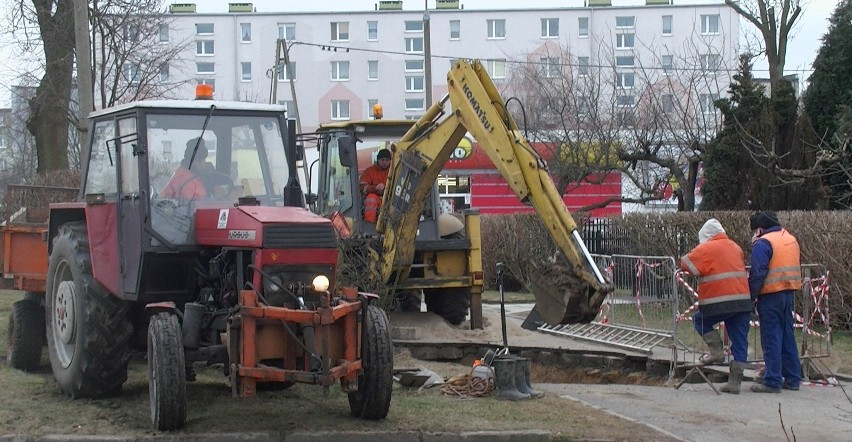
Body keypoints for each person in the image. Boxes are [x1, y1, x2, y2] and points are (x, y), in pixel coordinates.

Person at [680, 218, 752, 394]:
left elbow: (686, 263)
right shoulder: (735, 247)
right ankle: (735, 382)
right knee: (740, 340)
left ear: (706, 236)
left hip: (718, 301)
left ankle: (716, 352)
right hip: (742, 300)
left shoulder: (706, 248)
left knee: (700, 320)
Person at [749, 210, 802, 393]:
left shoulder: (763, 243)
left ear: (760, 228)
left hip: (770, 295)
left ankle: (772, 380)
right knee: (787, 336)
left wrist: (751, 296)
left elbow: (758, 272)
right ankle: (793, 378)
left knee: (771, 337)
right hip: (788, 292)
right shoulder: (789, 238)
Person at [359, 148, 391, 222]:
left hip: (390, 200)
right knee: (371, 198)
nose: (385, 162)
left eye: (387, 160)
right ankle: (369, 224)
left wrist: (386, 189)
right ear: (378, 160)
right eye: (382, 160)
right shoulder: (369, 171)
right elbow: (362, 187)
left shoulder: (394, 172)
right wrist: (375, 188)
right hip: (377, 200)